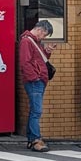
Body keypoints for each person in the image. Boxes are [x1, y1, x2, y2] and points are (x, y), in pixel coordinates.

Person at [19, 20, 56, 152]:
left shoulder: (32, 41)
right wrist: (35, 77)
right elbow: (25, 63)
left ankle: (32, 139)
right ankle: (35, 139)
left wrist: (47, 51)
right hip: (35, 80)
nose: (43, 37)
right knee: (36, 111)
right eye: (44, 34)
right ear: (40, 30)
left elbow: (36, 60)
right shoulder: (27, 41)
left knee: (34, 110)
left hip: (37, 79)